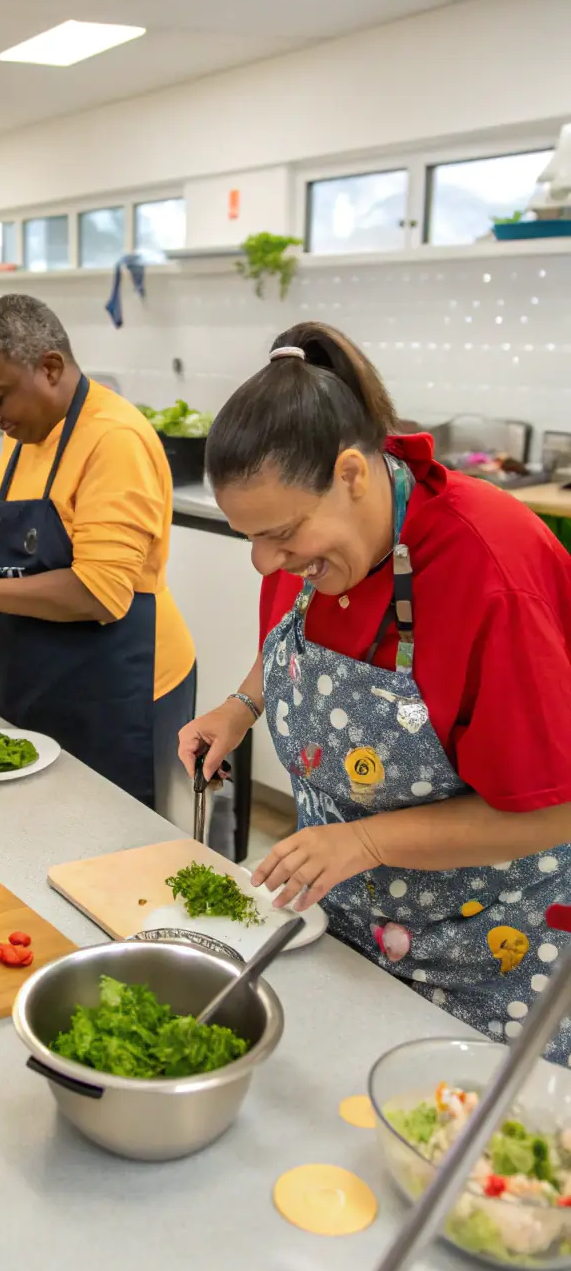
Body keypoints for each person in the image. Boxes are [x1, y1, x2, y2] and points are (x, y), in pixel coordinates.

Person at [178, 322, 571, 1064]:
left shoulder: (489, 568)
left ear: (353, 473)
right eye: (249, 538)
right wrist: (241, 707)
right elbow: (288, 650)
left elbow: (554, 809)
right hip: (347, 927)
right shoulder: (312, 556)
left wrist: (361, 840)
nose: (267, 562)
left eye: (283, 533)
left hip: (493, 956)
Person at [0, 295, 195, 813]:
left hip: (118, 692)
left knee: (115, 850)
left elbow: (100, 593)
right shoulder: (29, 430)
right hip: (37, 680)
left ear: (51, 368)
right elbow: (32, 540)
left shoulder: (114, 441)